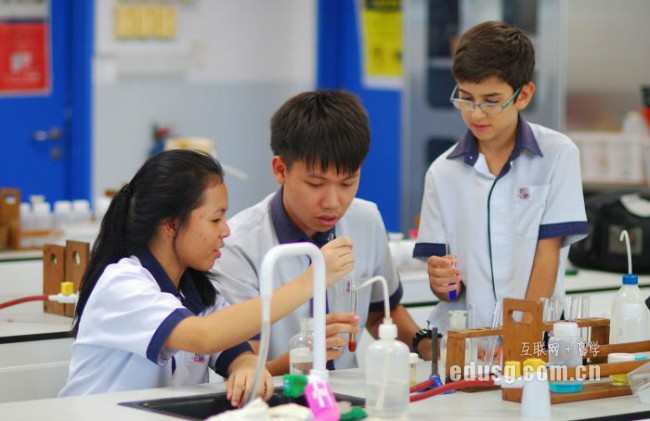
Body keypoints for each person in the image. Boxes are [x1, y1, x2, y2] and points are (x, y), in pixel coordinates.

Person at [60, 150, 353, 406]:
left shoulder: (198, 290)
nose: (226, 230)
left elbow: (230, 345)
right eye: (215, 219)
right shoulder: (122, 284)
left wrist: (246, 364)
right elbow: (205, 336)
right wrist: (309, 281)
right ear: (170, 224)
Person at [212, 90, 431, 375]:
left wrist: (428, 346)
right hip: (275, 396)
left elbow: (381, 316)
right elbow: (245, 368)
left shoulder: (366, 220)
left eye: (347, 183)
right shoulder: (239, 246)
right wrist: (304, 353)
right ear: (281, 169)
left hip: (349, 393)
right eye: (316, 184)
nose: (333, 202)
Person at [413, 21, 588, 335]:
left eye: (491, 101)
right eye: (466, 98)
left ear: (524, 95)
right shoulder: (442, 172)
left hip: (535, 335)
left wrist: (520, 338)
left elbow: (547, 256)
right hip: (467, 338)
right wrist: (441, 281)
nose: (476, 113)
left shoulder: (557, 155)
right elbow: (448, 292)